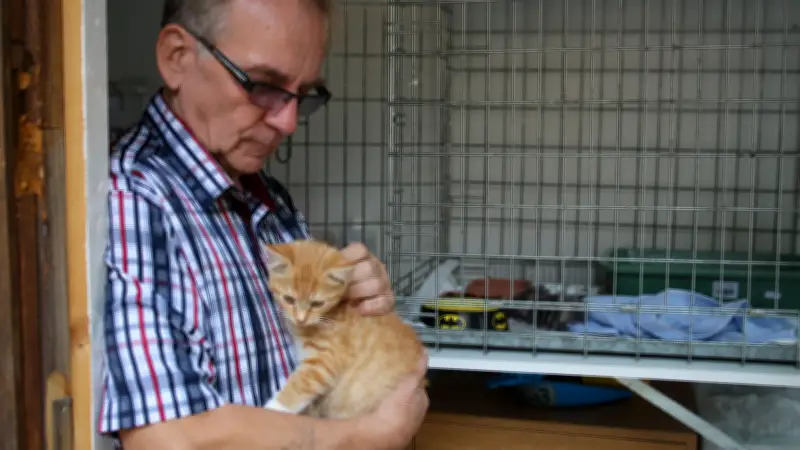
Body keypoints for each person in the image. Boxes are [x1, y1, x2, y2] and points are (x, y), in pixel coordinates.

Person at [98, 0, 429, 448]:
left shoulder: (267, 197)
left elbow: (311, 367)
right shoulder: (136, 197)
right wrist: (371, 436)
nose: (288, 122)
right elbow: (167, 439)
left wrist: (355, 308)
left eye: (304, 95)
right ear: (177, 57)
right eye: (263, 86)